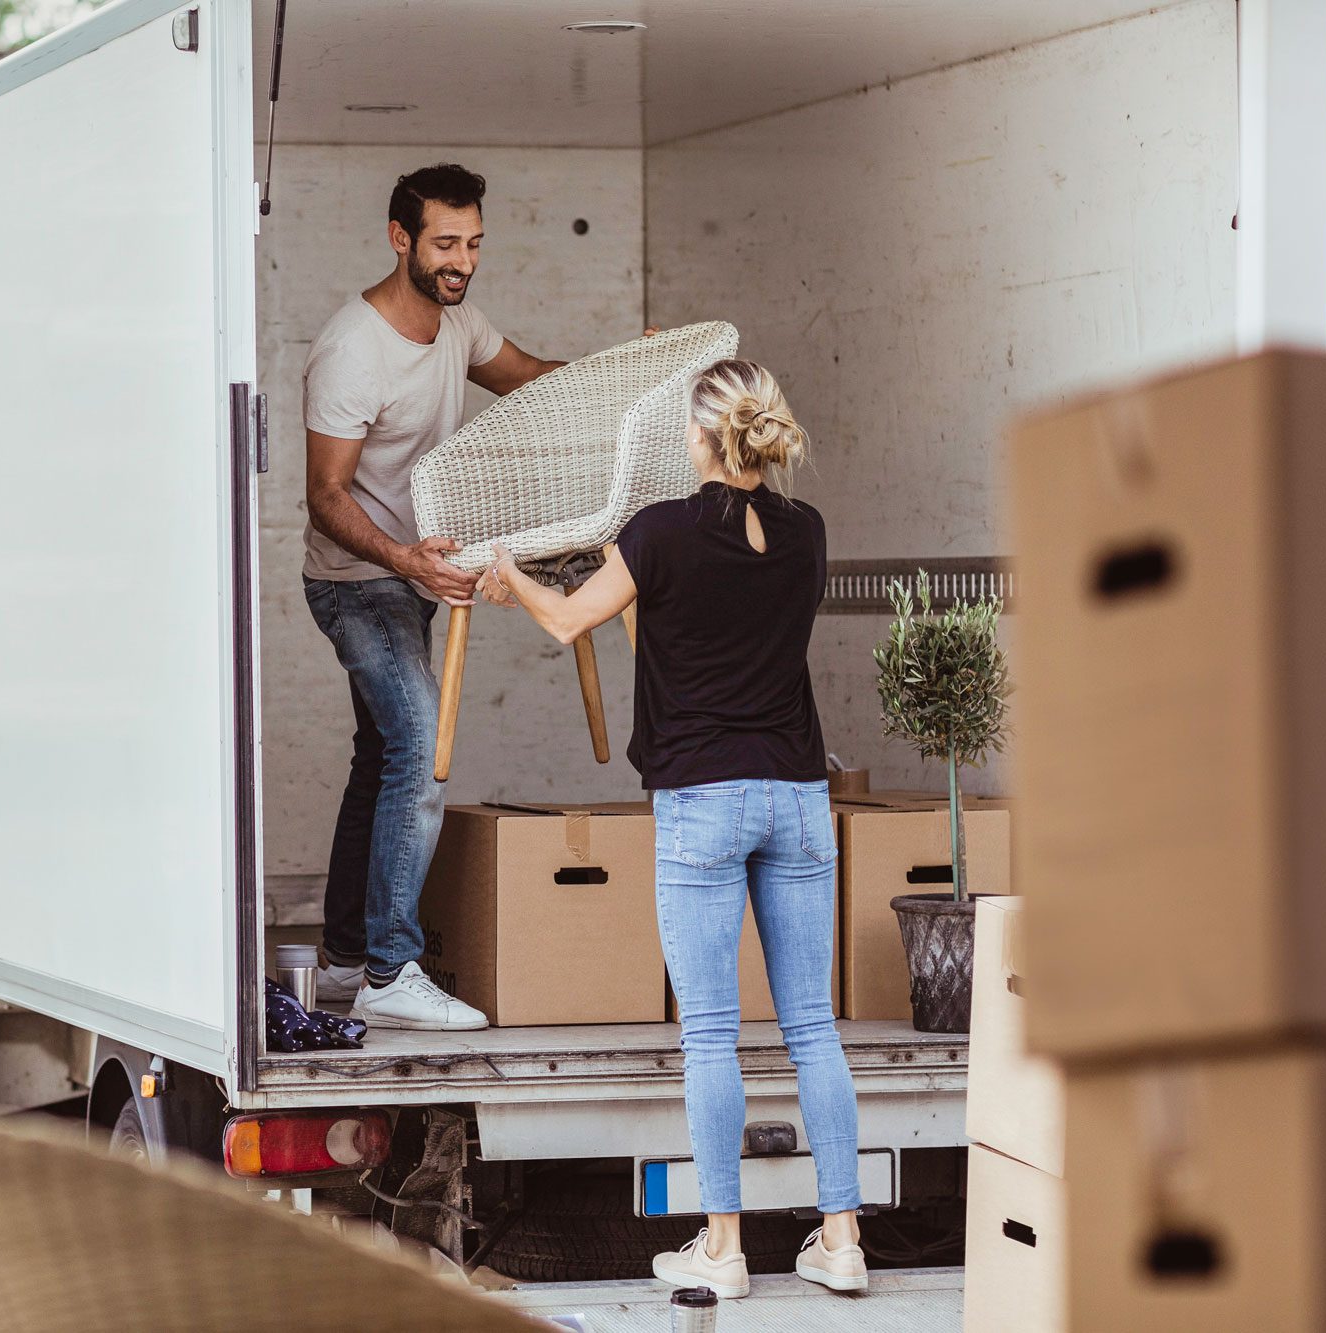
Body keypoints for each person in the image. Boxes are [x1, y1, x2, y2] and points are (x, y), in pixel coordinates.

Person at [481, 359, 865, 1297]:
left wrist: (510, 578)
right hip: (796, 797)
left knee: (711, 1035)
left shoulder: (657, 534)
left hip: (702, 799)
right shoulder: (806, 534)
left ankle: (726, 1249)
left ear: (697, 439)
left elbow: (571, 620)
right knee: (813, 1023)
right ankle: (842, 1239)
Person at [300, 163, 571, 1031]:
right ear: (400, 239)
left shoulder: (460, 324)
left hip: (412, 573)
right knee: (420, 736)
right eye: (446, 243)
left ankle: (344, 961)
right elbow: (326, 497)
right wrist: (409, 564)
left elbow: (532, 375)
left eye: (474, 243)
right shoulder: (352, 348)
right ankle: (391, 966)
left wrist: (627, 373)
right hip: (354, 582)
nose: (463, 260)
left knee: (379, 755)